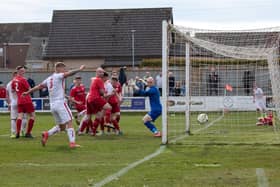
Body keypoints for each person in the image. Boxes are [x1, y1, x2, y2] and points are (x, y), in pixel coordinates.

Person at [23, 62, 85, 148]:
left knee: (62, 127)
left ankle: (47, 134)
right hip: (60, 103)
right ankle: (72, 143)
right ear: (58, 68)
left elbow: (38, 87)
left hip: (52, 105)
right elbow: (70, 73)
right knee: (70, 121)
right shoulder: (58, 75)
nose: (64, 70)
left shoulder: (49, 79)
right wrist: (79, 69)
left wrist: (27, 92)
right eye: (63, 68)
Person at [78, 67, 112, 136]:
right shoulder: (99, 80)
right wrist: (110, 94)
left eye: (102, 72)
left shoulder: (95, 79)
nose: (102, 73)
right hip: (95, 98)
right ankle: (105, 123)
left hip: (89, 99)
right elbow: (102, 93)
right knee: (109, 107)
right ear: (97, 73)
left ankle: (80, 131)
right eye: (100, 72)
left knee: (88, 116)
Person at [12, 65, 35, 138]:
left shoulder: (14, 80)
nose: (24, 71)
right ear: (20, 71)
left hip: (19, 100)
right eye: (23, 70)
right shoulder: (23, 79)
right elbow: (29, 89)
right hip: (26, 100)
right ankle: (28, 133)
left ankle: (17, 132)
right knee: (32, 116)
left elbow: (13, 90)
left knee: (20, 116)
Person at [6, 71, 27, 138]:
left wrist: (9, 104)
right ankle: (22, 131)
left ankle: (13, 133)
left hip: (13, 103)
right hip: (21, 101)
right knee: (23, 117)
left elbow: (7, 95)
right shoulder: (21, 81)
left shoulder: (9, 84)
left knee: (13, 119)